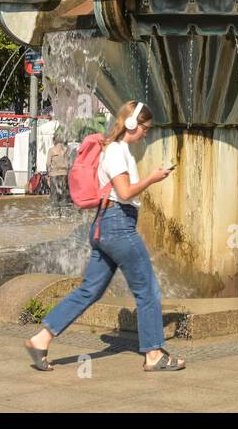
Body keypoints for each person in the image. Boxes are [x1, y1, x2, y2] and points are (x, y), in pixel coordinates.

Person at [25, 101, 185, 373]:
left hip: (105, 226)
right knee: (148, 291)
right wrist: (153, 178)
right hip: (118, 226)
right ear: (132, 125)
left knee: (90, 291)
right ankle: (154, 354)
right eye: (145, 127)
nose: (146, 132)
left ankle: (41, 339)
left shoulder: (115, 150)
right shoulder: (116, 152)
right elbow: (124, 193)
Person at [46, 139, 70, 208]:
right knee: (64, 195)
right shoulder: (66, 150)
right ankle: (65, 213)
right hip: (64, 175)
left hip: (54, 175)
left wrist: (48, 174)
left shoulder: (52, 150)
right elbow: (69, 163)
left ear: (54, 141)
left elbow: (48, 164)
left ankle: (55, 214)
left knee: (54, 195)